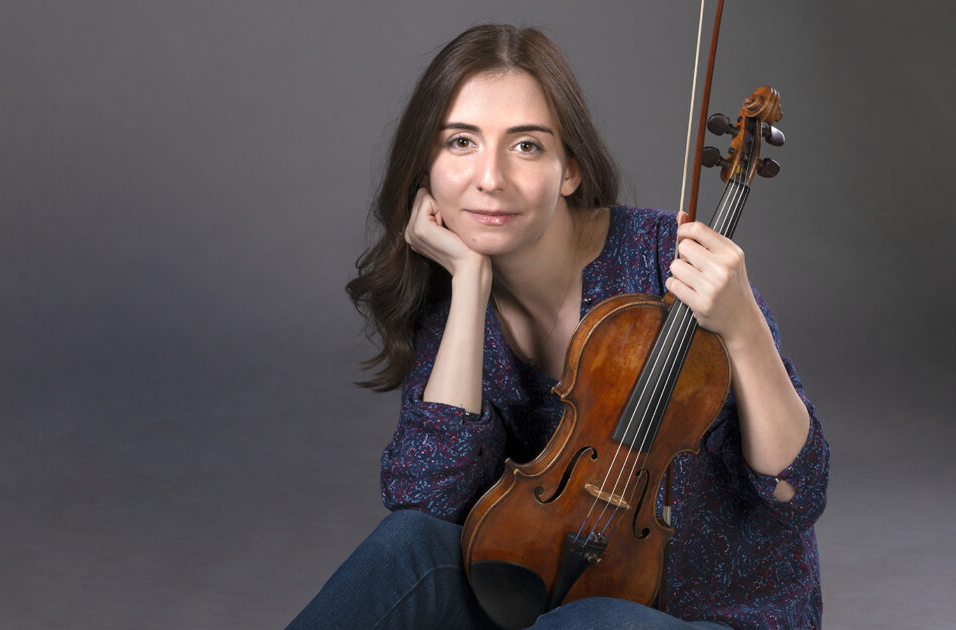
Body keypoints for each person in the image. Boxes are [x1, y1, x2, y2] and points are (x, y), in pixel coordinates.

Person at [289, 24, 829, 630]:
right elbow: (427, 497)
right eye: (461, 142)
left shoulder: (669, 260)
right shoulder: (455, 300)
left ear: (569, 168)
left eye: (526, 146)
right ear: (426, 167)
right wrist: (470, 286)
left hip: (710, 615)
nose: (490, 178)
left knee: (583, 624)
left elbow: (796, 494)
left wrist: (744, 326)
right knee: (407, 546)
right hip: (547, 593)